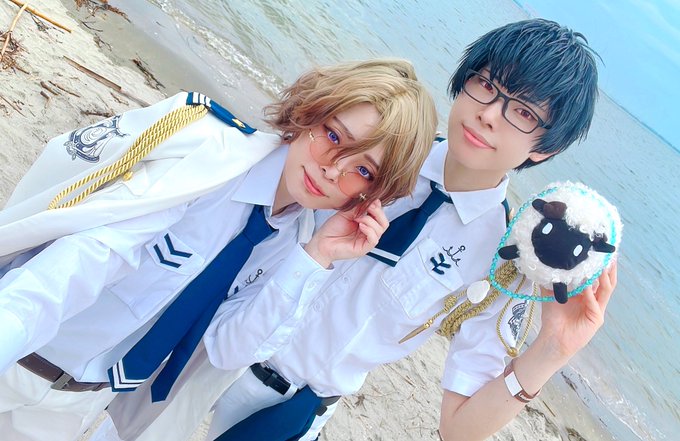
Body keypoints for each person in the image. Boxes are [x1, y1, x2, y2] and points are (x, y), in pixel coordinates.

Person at [96, 18, 616, 441]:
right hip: (207, 341)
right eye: (486, 85)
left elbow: (459, 429)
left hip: (284, 409)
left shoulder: (503, 258)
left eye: (521, 112)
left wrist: (553, 350)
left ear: (545, 148)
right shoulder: (377, 146)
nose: (489, 115)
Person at [0, 58, 438, 441]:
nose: (332, 170)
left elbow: (228, 349)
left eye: (363, 170)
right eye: (334, 136)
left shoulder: (291, 245)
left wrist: (317, 257)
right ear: (311, 112)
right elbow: (88, 258)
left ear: (373, 194)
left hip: (80, 402)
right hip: (18, 351)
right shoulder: (209, 160)